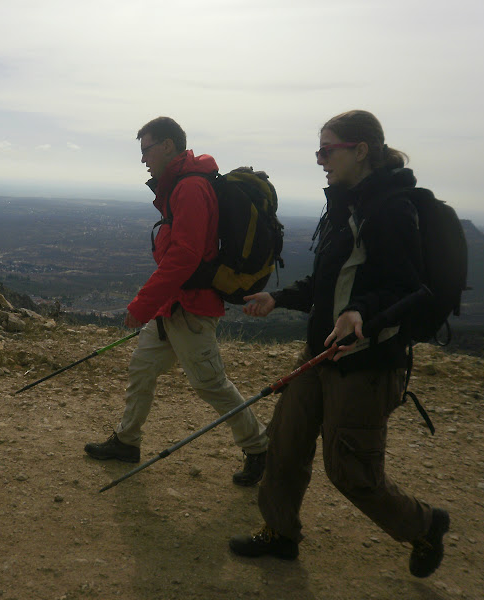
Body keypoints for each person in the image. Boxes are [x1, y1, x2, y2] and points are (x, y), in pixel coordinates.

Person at [230, 110, 450, 577]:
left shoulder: (391, 209)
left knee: (351, 472)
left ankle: (425, 524)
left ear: (361, 150)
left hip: (366, 363)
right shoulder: (347, 206)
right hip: (321, 352)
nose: (320, 160)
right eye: (319, 151)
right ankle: (279, 531)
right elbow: (329, 283)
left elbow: (410, 287)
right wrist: (279, 298)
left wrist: (361, 312)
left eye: (327, 150)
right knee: (285, 444)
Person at [84, 116, 269, 486]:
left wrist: (142, 305)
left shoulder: (190, 188)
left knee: (210, 383)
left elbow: (184, 257)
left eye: (146, 149)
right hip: (174, 305)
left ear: (168, 145)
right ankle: (126, 441)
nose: (143, 159)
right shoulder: (182, 184)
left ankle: (261, 447)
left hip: (192, 306)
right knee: (142, 367)